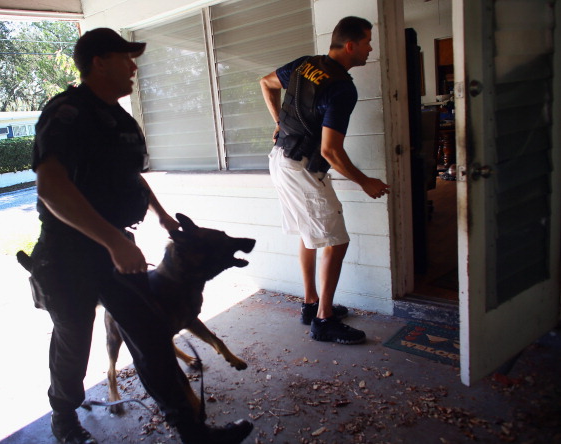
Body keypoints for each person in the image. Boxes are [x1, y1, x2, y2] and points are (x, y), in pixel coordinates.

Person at [29, 28, 252, 444]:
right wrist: (112, 241)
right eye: (125, 58)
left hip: (117, 250)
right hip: (68, 254)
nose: (133, 66)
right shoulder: (67, 113)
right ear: (99, 61)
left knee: (152, 338)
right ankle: (64, 420)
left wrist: (163, 216)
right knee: (74, 346)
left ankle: (192, 430)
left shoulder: (121, 119)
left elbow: (131, 179)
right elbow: (51, 188)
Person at [260, 16, 390, 345]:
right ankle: (324, 320)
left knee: (310, 234)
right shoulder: (341, 88)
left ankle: (310, 304)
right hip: (301, 166)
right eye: (367, 42)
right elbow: (330, 151)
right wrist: (365, 182)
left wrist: (279, 122)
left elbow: (265, 82)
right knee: (337, 241)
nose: (370, 48)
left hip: (282, 159)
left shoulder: (306, 64)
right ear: (350, 46)